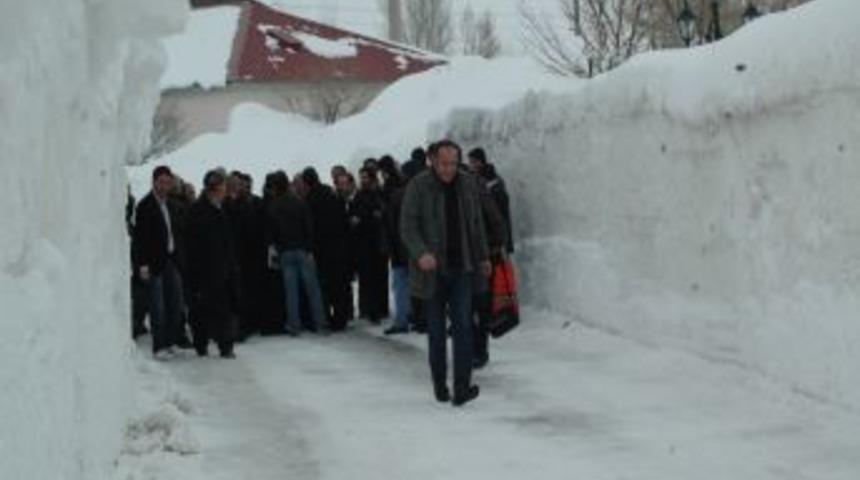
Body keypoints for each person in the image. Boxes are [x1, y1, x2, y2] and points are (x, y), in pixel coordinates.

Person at [400, 140, 491, 406]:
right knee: (437, 333)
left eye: (453, 163)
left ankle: (462, 388)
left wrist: (483, 256)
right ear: (432, 161)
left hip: (462, 268)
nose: (449, 169)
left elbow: (476, 225)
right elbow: (407, 225)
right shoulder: (418, 186)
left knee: (463, 328)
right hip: (432, 274)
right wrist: (421, 253)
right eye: (444, 163)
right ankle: (440, 384)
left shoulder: (467, 184)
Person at [185, 169, 240, 358]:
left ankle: (226, 346)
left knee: (224, 309)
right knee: (202, 310)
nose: (225, 191)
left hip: (223, 271)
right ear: (213, 189)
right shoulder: (197, 212)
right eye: (222, 187)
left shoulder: (222, 209)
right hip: (204, 272)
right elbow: (192, 247)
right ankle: (201, 344)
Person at [132, 166, 185, 359]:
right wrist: (142, 264)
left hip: (171, 259)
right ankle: (159, 346)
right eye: (160, 182)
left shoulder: (170, 205)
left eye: (167, 182)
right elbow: (140, 239)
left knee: (175, 302)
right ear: (154, 182)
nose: (164, 186)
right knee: (157, 306)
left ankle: (171, 341)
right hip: (153, 262)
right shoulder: (145, 206)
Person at [266, 172, 327, 336]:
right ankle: (320, 323)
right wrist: (309, 248)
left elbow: (272, 233)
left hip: (285, 252)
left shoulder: (273, 206)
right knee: (313, 289)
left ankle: (294, 325)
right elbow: (309, 227)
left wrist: (278, 249)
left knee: (291, 292)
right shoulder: (299, 203)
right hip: (303, 250)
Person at [302, 167, 352, 331]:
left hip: (322, 248)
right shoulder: (331, 193)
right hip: (340, 245)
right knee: (340, 284)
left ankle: (329, 317)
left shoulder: (310, 199)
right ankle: (342, 316)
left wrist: (311, 247)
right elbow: (343, 219)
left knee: (326, 285)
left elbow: (310, 226)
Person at [353, 166, 389, 323]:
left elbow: (382, 214)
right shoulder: (360, 196)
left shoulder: (377, 195)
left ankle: (378, 309)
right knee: (368, 278)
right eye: (361, 177)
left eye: (365, 177)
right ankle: (371, 309)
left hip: (376, 242)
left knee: (377, 277)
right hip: (365, 243)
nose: (363, 180)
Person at [468, 148, 514, 254]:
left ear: (480, 162)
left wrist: (503, 242)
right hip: (485, 239)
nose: (471, 165)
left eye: (473, 162)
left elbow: (502, 214)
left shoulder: (493, 183)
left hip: (494, 240)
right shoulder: (476, 180)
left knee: (497, 268)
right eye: (470, 162)